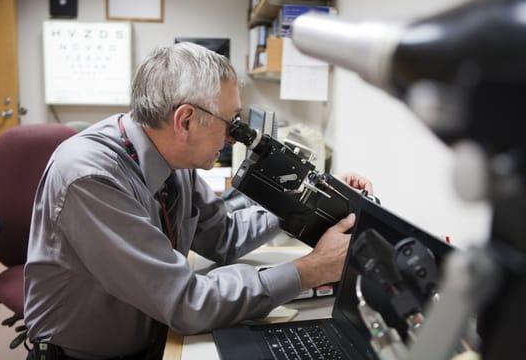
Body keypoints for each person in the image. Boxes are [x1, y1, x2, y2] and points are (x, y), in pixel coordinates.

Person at [24, 42, 366, 360]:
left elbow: (223, 236)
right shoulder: (91, 178)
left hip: (158, 333)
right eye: (231, 123)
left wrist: (304, 206)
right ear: (185, 120)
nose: (236, 137)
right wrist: (310, 270)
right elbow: (187, 301)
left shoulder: (173, 160)